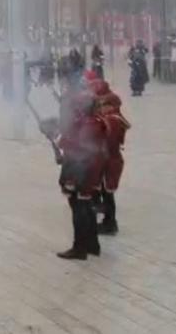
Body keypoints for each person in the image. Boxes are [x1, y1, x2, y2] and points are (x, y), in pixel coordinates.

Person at [46, 90, 106, 260]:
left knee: (80, 208)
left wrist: (57, 138)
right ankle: (92, 244)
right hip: (86, 168)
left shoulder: (91, 124)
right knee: (86, 206)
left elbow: (79, 145)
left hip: (83, 170)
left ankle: (80, 247)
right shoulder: (90, 121)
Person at [94, 80, 129, 234]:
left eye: (102, 104)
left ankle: (110, 223)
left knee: (108, 194)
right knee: (105, 192)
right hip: (107, 159)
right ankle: (108, 221)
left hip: (110, 161)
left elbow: (108, 141)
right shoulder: (110, 118)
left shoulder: (113, 120)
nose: (99, 107)